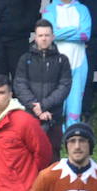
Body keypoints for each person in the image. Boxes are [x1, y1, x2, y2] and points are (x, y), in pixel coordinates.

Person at [15, 20, 72, 154]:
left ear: (53, 37)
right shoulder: (25, 59)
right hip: (30, 115)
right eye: (40, 35)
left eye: (47, 35)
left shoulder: (62, 60)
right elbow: (19, 85)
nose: (44, 38)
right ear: (35, 37)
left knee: (53, 154)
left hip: (54, 116)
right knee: (30, 153)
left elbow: (64, 87)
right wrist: (36, 108)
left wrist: (44, 105)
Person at [41, 0, 90, 126]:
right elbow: (50, 34)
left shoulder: (82, 9)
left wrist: (61, 32)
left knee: (76, 101)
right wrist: (75, 29)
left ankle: (72, 133)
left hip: (79, 60)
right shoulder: (50, 9)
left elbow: (85, 34)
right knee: (56, 98)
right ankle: (56, 132)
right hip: (56, 61)